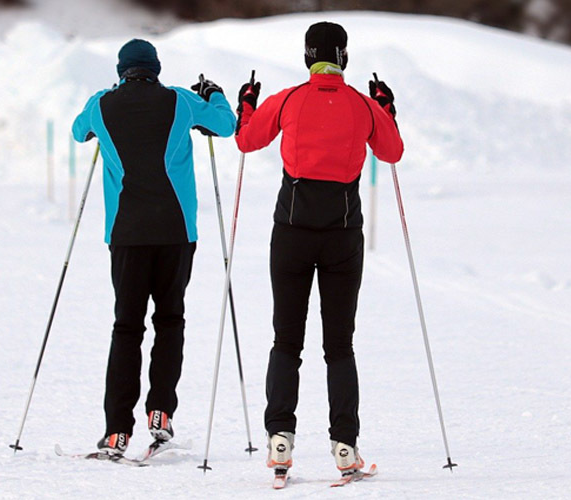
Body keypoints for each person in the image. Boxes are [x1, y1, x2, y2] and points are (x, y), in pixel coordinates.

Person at [234, 22, 404, 478]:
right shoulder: (364, 106)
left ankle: (280, 440)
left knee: (286, 340)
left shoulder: (288, 99)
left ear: (308, 57)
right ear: (344, 57)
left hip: (290, 232)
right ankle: (345, 446)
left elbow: (247, 140)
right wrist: (386, 108)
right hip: (343, 235)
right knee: (339, 345)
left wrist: (246, 105)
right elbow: (392, 151)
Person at [71, 38, 236, 457]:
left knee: (126, 326)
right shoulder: (180, 101)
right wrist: (212, 91)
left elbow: (78, 131)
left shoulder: (102, 105)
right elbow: (225, 124)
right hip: (176, 231)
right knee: (170, 320)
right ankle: (161, 410)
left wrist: (100, 94)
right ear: (157, 68)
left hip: (126, 233)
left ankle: (116, 431)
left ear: (121, 70)